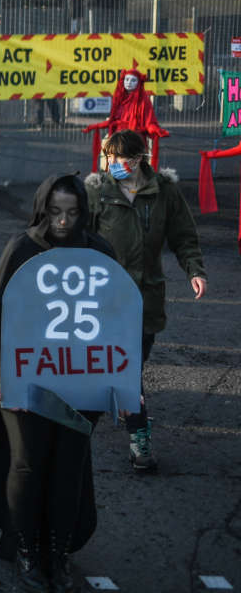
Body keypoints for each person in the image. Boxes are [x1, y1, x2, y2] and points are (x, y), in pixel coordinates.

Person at [0, 174, 112, 593]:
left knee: (69, 468)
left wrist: (122, 380)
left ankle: (58, 551)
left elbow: (116, 320)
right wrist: (1, 382)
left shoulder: (99, 250)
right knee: (27, 464)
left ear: (83, 211)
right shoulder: (23, 248)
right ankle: (28, 546)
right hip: (24, 380)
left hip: (80, 382)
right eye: (55, 212)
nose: (63, 221)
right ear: (42, 209)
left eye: (72, 212)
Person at [85, 129, 207, 471]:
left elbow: (184, 236)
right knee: (125, 369)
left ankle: (126, 403)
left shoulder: (163, 191)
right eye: (108, 157)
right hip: (105, 300)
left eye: (119, 159)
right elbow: (79, 239)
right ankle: (140, 438)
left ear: (139, 159)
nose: (112, 164)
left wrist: (195, 270)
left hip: (146, 299)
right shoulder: (97, 191)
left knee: (132, 365)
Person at [83, 69, 169, 170]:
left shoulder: (143, 101)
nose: (128, 82)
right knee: (117, 166)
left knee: (135, 167)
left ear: (139, 83)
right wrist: (94, 126)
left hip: (135, 140)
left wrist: (157, 130)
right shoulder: (119, 99)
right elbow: (112, 121)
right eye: (127, 79)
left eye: (133, 80)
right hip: (119, 140)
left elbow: (149, 122)